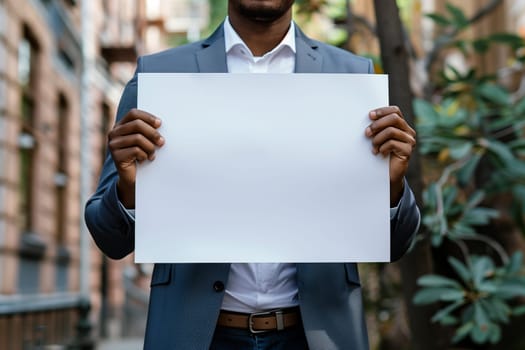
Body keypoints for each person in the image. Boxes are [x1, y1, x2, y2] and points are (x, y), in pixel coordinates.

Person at [85, 0, 420, 349]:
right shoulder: (160, 75)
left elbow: (397, 245)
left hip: (314, 336)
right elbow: (110, 239)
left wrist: (392, 187)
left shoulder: (351, 76)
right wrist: (128, 188)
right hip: (197, 335)